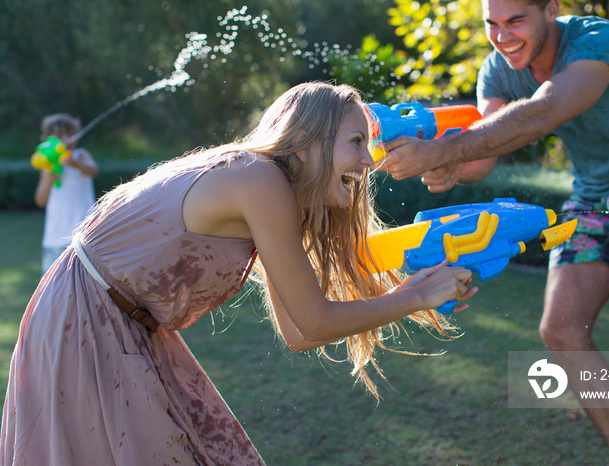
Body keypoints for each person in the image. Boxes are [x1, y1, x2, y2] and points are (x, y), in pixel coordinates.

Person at [1, 82, 476, 465]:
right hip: (85, 325)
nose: (368, 161)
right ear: (308, 141)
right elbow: (314, 322)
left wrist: (411, 288)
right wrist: (413, 297)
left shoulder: (266, 186)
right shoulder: (259, 179)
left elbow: (298, 332)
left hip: (118, 324)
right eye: (356, 142)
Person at [376, 1, 609, 464]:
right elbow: (481, 155)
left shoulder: (596, 42)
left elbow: (543, 113)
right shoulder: (499, 68)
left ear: (550, 10)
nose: (502, 36)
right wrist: (444, 161)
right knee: (562, 331)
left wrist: (439, 153)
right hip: (594, 200)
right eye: (491, 25)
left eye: (515, 22)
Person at [34, 113, 99, 274]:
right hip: (54, 237)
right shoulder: (47, 166)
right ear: (46, 140)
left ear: (75, 137)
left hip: (83, 236)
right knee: (53, 286)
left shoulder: (80, 155)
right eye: (56, 136)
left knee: (84, 281)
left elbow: (93, 170)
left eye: (66, 135)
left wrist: (74, 163)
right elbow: (40, 201)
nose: (62, 140)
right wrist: (49, 179)